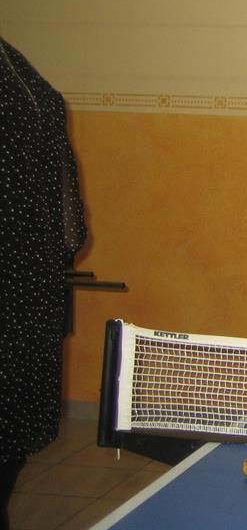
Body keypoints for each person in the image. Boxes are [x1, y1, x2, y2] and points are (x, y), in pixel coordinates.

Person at [1, 38, 88, 530]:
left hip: (27, 293)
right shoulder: (22, 76)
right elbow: (71, 231)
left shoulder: (17, 70)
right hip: (27, 294)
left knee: (10, 440)